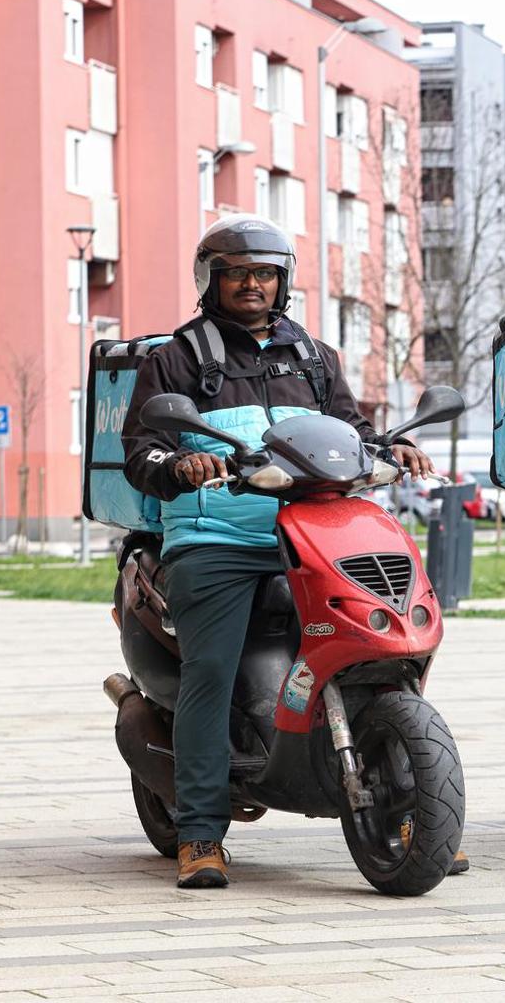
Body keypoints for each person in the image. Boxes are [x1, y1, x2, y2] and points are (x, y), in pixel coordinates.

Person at [121, 214, 454, 888]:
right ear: (212, 279)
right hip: (220, 539)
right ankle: (201, 832)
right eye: (238, 273)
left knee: (382, 640)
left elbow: (353, 432)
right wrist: (179, 466)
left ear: (284, 282)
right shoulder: (177, 358)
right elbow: (142, 451)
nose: (253, 285)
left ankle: (418, 807)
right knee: (212, 669)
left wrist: (392, 447)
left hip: (316, 533)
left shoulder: (314, 357)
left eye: (266, 274)